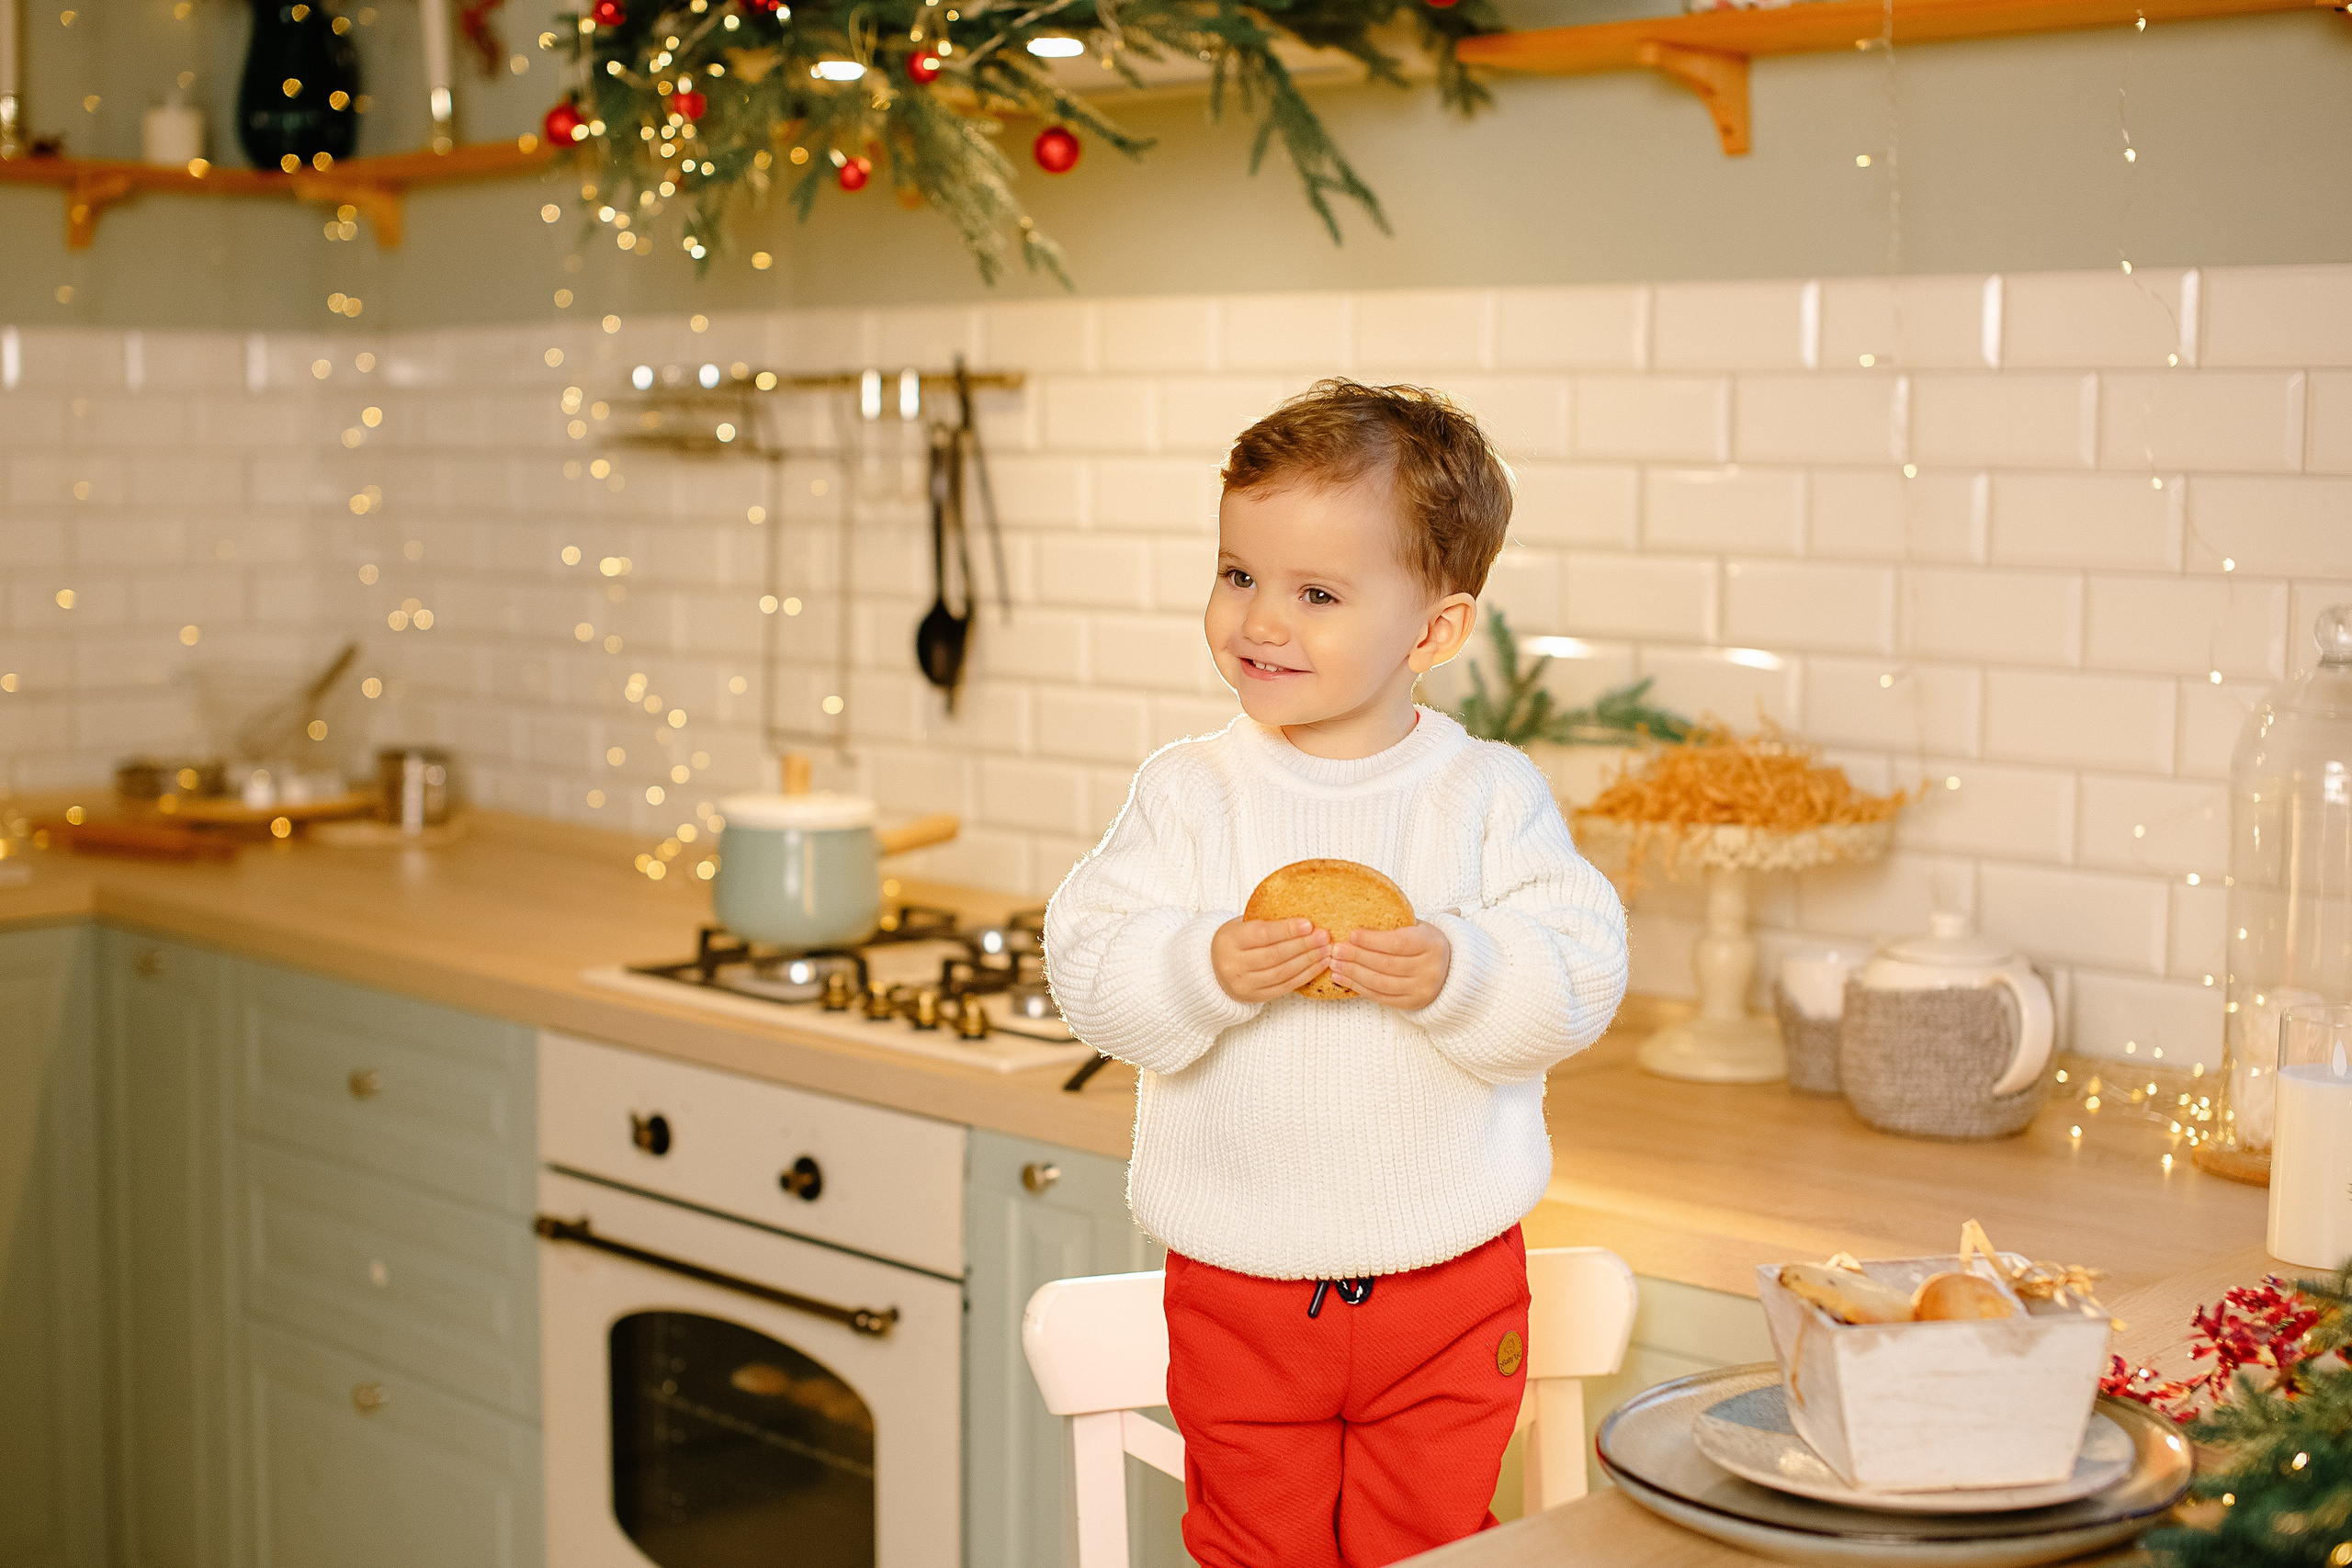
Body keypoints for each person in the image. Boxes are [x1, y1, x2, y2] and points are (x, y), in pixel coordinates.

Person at [1044, 378, 1632, 1568]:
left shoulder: (1486, 797)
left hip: (1451, 1287)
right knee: (1252, 1552)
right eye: (1237, 573)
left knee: (1434, 1551)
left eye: (1316, 593)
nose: (1260, 620)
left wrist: (1460, 973)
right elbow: (1089, 967)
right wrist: (1200, 964)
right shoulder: (1188, 791)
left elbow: (1582, 972)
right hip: (1239, 1287)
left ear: (1434, 633)